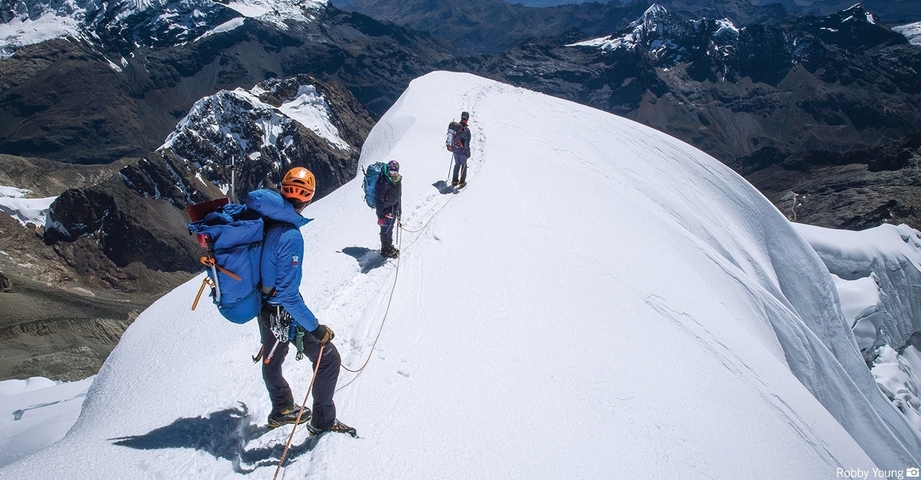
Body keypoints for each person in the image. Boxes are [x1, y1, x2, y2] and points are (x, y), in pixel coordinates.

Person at [247, 166, 354, 435]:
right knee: (328, 358)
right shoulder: (290, 236)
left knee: (273, 356)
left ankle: (282, 408)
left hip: (264, 307)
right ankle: (323, 423)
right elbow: (288, 295)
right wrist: (316, 329)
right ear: (308, 198)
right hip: (281, 311)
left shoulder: (267, 222)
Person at [375, 160, 402, 258]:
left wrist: (399, 210)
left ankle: (389, 246)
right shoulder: (383, 181)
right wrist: (380, 215)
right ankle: (385, 250)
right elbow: (378, 199)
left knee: (390, 228)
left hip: (393, 208)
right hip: (385, 210)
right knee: (385, 229)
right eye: (391, 172)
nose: (393, 174)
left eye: (395, 172)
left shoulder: (397, 180)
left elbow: (399, 196)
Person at [451, 111, 471, 187]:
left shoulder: (456, 127)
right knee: (464, 165)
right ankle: (462, 182)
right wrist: (468, 152)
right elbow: (466, 143)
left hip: (455, 150)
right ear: (467, 119)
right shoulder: (466, 130)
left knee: (457, 164)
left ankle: (454, 181)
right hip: (462, 151)